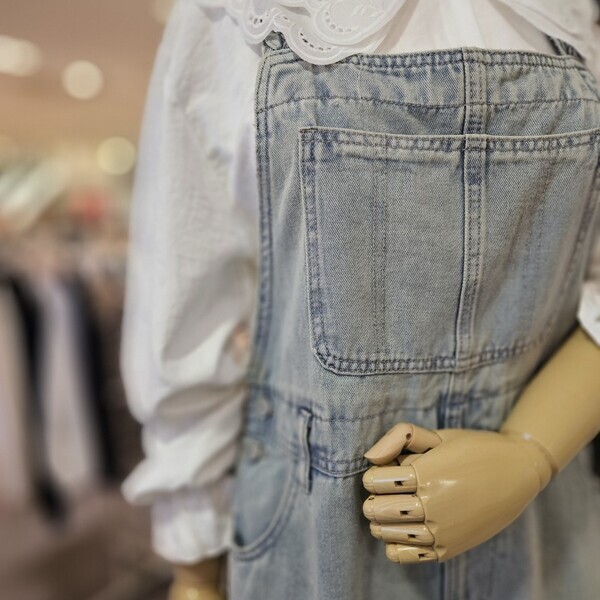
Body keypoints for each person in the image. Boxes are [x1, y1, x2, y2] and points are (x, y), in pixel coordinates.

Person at [120, 1, 600, 598]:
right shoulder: (240, 16)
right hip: (316, 531)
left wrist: (531, 451)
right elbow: (186, 292)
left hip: (543, 527)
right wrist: (194, 564)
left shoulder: (576, 18)